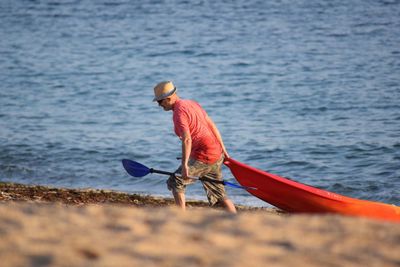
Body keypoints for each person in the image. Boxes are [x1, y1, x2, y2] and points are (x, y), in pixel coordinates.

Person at [153, 81, 237, 213]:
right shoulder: (191, 103)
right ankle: (236, 219)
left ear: (168, 99)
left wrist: (185, 165)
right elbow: (212, 125)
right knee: (218, 192)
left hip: (204, 155)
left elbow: (187, 139)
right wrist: (223, 149)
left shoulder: (178, 114)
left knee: (176, 181)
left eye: (159, 102)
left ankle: (181, 216)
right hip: (215, 153)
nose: (159, 105)